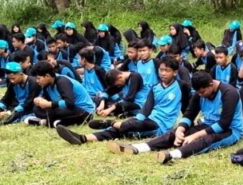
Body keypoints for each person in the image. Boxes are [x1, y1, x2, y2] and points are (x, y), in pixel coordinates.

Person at [110, 70, 243, 164]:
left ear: (211, 85)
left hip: (230, 130)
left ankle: (172, 155)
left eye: (203, 92)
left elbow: (224, 124)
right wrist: (180, 129)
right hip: (207, 125)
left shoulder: (229, 93)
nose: (200, 95)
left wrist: (194, 136)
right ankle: (139, 148)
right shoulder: (199, 93)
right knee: (174, 133)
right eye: (198, 93)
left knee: (206, 140)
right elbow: (189, 114)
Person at [56, 56, 187, 146]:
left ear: (175, 72)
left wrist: (183, 127)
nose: (163, 73)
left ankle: (112, 122)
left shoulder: (182, 86)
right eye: (161, 70)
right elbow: (147, 108)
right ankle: (83, 138)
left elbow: (187, 109)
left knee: (134, 125)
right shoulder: (155, 87)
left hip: (161, 125)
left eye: (167, 71)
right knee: (125, 128)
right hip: (149, 119)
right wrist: (136, 120)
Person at [25, 60, 94, 128]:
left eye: (38, 78)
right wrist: (39, 100)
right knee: (36, 109)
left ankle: (47, 122)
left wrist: (49, 104)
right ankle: (55, 122)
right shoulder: (46, 85)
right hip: (66, 110)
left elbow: (70, 102)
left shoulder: (62, 81)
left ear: (47, 76)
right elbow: (47, 100)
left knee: (54, 111)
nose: (37, 81)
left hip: (83, 111)